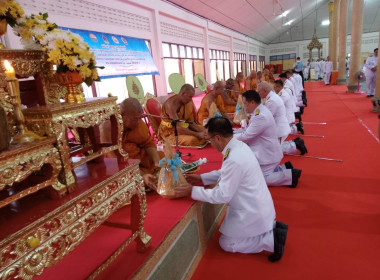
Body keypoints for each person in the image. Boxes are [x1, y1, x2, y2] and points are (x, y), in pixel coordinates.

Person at [175, 117, 288, 262]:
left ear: (218, 138)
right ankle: (271, 228)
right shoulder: (239, 147)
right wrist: (201, 178)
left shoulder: (234, 157)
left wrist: (192, 191)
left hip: (252, 210)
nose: (211, 144)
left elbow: (222, 195)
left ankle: (271, 240)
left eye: (210, 140)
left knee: (226, 243)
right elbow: (226, 174)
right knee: (230, 235)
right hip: (257, 205)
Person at [234, 90, 301, 187]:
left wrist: (231, 138)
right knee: (258, 172)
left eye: (245, 103)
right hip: (267, 151)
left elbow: (246, 135)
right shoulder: (259, 111)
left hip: (268, 153)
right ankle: (283, 168)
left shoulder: (260, 116)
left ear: (252, 102)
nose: (244, 106)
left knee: (259, 179)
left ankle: (290, 176)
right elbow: (248, 131)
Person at [101, 97, 160, 189]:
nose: (137, 122)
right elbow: (113, 158)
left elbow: (147, 143)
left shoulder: (138, 123)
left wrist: (157, 161)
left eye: (139, 118)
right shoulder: (107, 128)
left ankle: (145, 177)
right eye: (134, 119)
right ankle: (143, 178)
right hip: (120, 166)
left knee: (163, 159)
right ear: (121, 115)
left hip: (139, 162)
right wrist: (141, 174)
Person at [257, 82, 308, 155]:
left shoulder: (272, 100)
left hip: (279, 128)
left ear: (264, 90)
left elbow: (267, 117)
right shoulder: (272, 97)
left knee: (272, 150)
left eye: (259, 91)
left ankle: (296, 145)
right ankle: (296, 143)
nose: (258, 93)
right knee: (272, 148)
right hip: (279, 126)